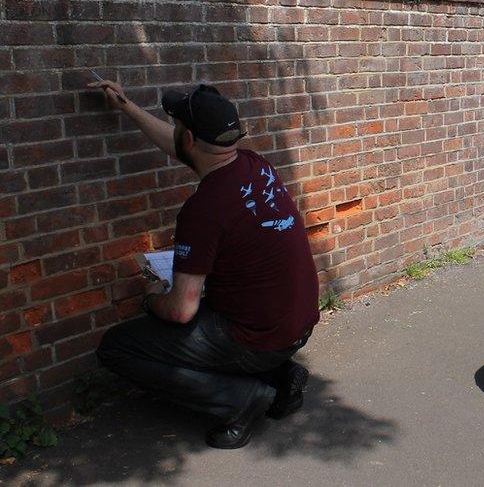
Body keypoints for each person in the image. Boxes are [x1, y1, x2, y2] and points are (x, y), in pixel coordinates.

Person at [89, 80, 320, 449]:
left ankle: (239, 400)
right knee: (212, 308)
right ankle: (280, 375)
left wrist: (151, 297)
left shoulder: (204, 210)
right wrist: (128, 107)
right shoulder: (253, 164)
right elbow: (181, 145)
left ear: (192, 138)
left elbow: (181, 310)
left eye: (180, 126)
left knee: (118, 347)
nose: (178, 134)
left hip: (257, 338)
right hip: (297, 324)